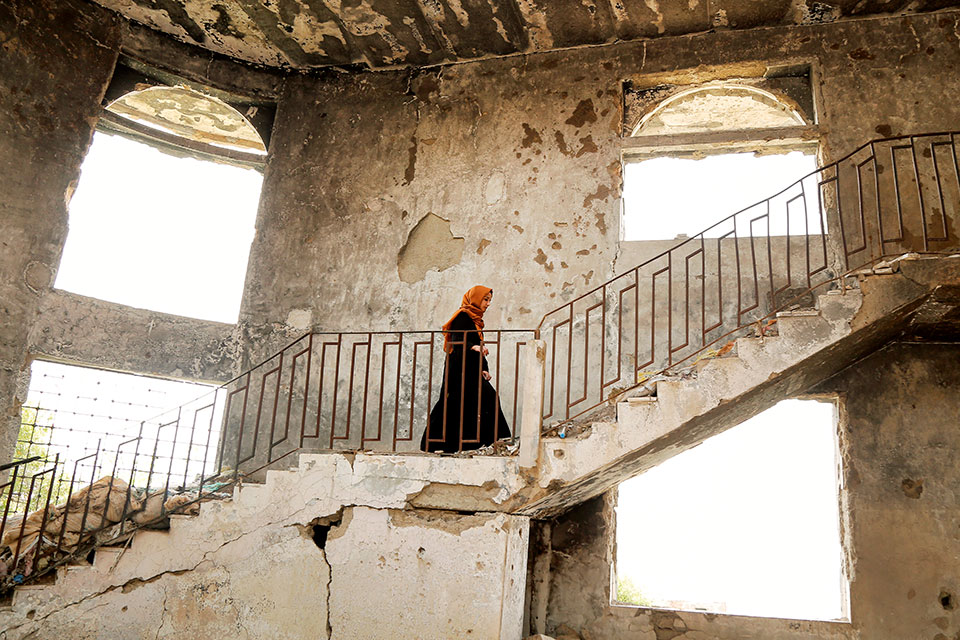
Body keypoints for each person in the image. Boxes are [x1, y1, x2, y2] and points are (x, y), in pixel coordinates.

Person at [420, 286, 511, 453]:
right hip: (459, 371)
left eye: (489, 300)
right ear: (475, 298)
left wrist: (484, 368)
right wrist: (473, 347)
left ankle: (474, 443)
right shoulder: (462, 317)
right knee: (456, 402)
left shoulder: (475, 320)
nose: (488, 304)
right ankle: (435, 442)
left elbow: (475, 345)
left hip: (471, 370)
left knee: (470, 404)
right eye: (485, 299)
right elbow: (456, 342)